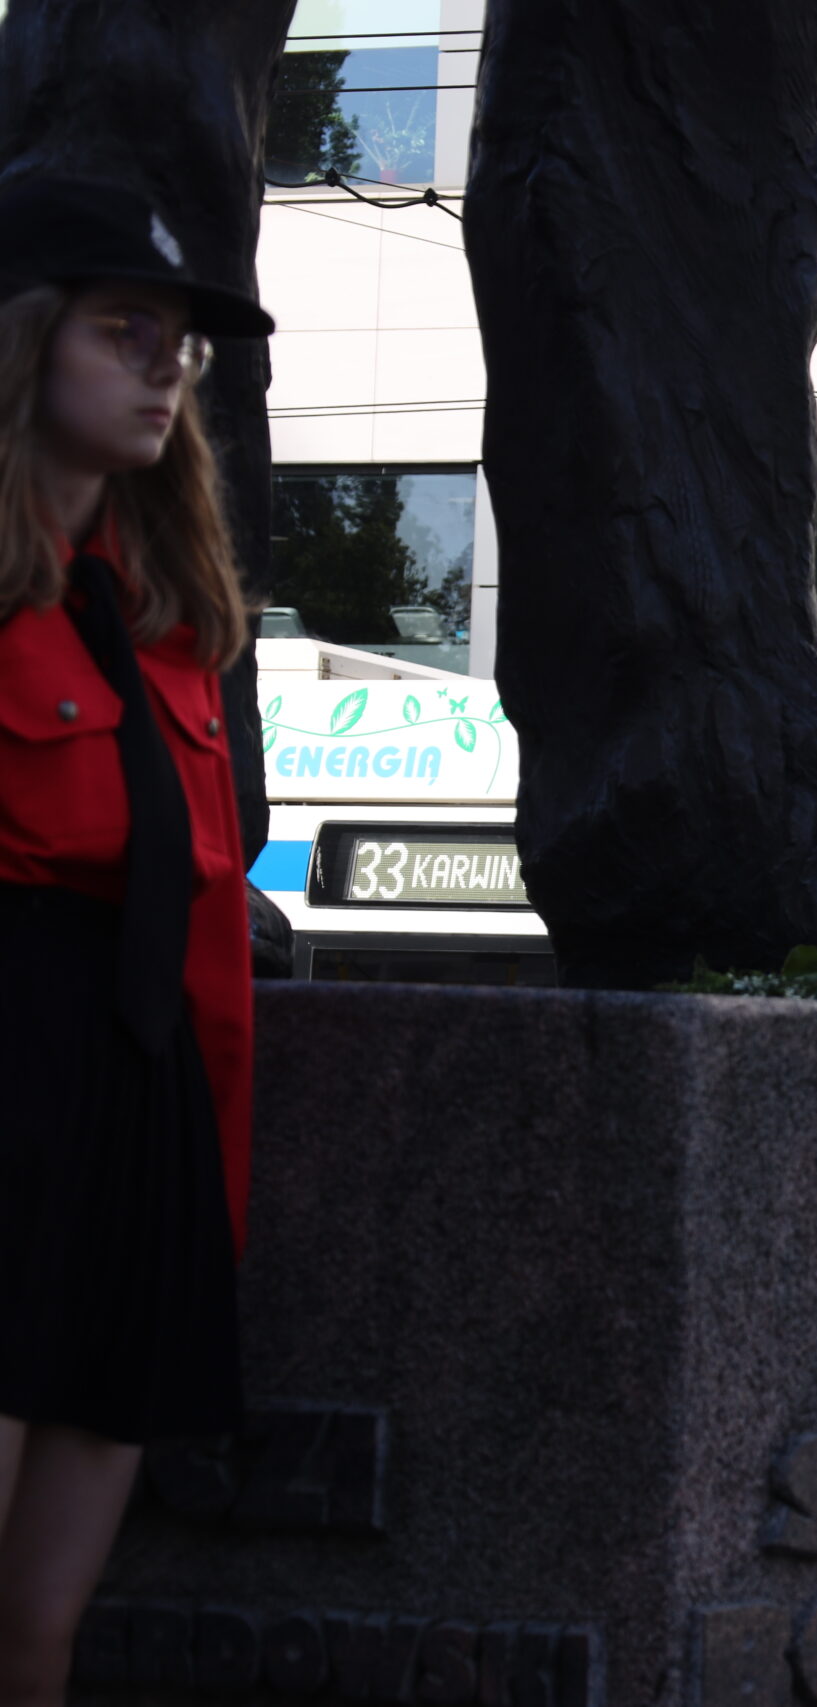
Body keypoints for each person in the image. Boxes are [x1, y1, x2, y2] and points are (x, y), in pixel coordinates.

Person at [0, 177, 272, 1702]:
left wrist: (204, 1192)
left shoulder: (173, 624)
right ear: (23, 340)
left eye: (181, 340)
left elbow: (208, 940)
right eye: (124, 328)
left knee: (37, 1631)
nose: (167, 364)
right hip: (11, 1081)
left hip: (132, 1115)